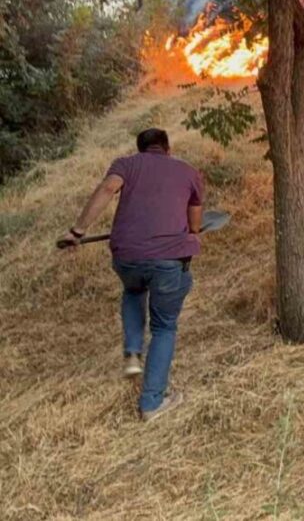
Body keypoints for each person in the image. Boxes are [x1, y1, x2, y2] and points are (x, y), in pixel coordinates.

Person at [59, 128, 203, 422]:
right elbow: (195, 225)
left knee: (133, 290)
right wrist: (187, 231)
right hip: (169, 259)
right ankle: (152, 403)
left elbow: (107, 189)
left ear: (140, 149)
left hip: (127, 257)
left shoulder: (126, 165)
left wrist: (78, 231)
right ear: (167, 148)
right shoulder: (188, 172)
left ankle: (133, 351)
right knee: (164, 327)